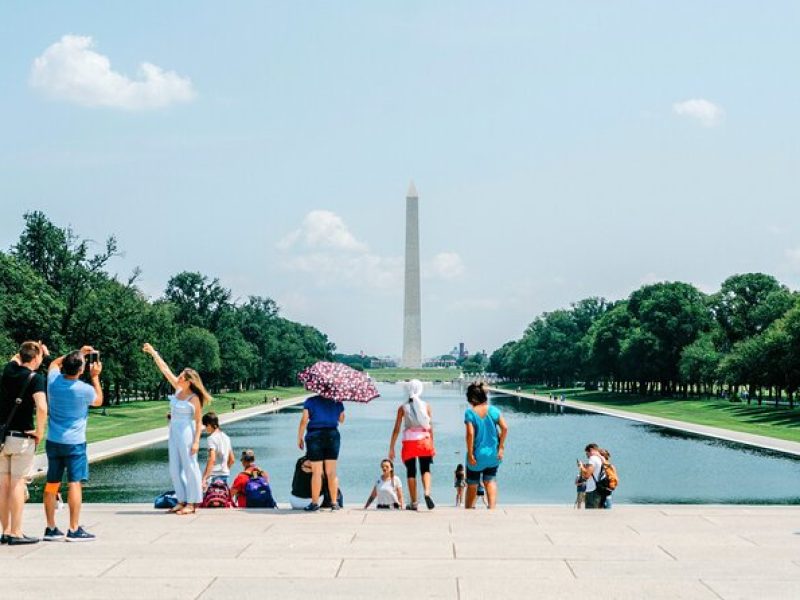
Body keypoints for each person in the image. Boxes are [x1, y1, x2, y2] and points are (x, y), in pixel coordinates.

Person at [43, 346, 103, 541]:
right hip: (75, 443)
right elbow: (99, 400)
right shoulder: (84, 389)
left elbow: (53, 363)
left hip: (54, 440)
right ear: (81, 370)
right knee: (74, 483)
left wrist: (77, 352)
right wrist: (95, 377)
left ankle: (51, 527)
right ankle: (74, 528)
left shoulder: (52, 382)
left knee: (52, 484)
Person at [142, 343, 210, 515]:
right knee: (174, 467)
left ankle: (193, 502)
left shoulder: (194, 398)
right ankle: (181, 499)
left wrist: (196, 442)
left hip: (187, 432)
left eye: (181, 376)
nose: (178, 377)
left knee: (190, 466)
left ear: (189, 381)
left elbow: (198, 421)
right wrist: (153, 353)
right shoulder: (179, 390)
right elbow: (165, 370)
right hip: (173, 431)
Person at [0, 341, 48, 545]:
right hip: (22, 438)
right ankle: (16, 532)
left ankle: (5, 529)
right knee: (18, 483)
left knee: (3, 486)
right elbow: (42, 407)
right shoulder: (36, 379)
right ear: (36, 358)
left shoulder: (8, 371)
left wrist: (32, 348)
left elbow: (15, 358)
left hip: (3, 438)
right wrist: (40, 432)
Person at [388, 379, 435, 511]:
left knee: (411, 471)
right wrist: (432, 443)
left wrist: (391, 447)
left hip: (409, 442)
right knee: (425, 468)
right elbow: (430, 428)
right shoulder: (426, 406)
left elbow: (396, 429)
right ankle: (427, 492)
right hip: (425, 441)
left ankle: (414, 502)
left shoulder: (402, 408)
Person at [464, 382, 508, 510]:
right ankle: (492, 509)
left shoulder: (470, 413)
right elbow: (505, 428)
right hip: (493, 455)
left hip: (477, 455)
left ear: (472, 398)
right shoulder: (493, 410)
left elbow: (470, 434)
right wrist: (501, 447)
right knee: (490, 481)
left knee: (472, 484)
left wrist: (470, 453)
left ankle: (469, 509)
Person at [297, 393, 345, 512]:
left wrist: (300, 437)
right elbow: (342, 419)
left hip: (315, 435)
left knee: (317, 472)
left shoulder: (310, 401)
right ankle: (334, 503)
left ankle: (314, 503)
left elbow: (304, 420)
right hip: (332, 435)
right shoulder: (337, 401)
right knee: (331, 472)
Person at [201, 412, 234, 488]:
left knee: (209, 498)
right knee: (223, 498)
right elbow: (232, 460)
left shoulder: (211, 438)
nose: (205, 428)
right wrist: (224, 470)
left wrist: (205, 478)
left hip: (214, 476)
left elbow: (212, 459)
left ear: (209, 424)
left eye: (205, 426)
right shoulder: (226, 437)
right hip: (225, 476)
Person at [580, 443, 605, 509]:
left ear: (591, 450)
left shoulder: (593, 459)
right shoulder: (601, 459)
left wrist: (582, 467)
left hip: (592, 490)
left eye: (587, 453)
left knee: (590, 514)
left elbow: (587, 475)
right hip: (599, 489)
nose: (587, 456)